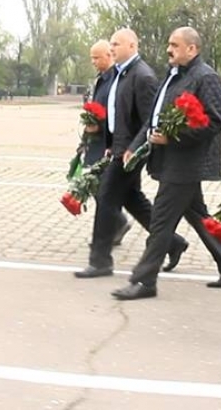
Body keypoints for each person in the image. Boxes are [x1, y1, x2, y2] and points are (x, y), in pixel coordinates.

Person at [111, 27, 221, 299]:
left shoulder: (205, 77)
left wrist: (173, 138)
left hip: (185, 163)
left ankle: (144, 281)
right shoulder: (174, 75)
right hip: (171, 160)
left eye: (174, 45)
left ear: (192, 49)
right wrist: (135, 146)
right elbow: (155, 117)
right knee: (197, 215)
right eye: (168, 44)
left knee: (160, 221)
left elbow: (214, 120)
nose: (169, 49)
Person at [75, 29, 189, 279]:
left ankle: (100, 260)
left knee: (105, 199)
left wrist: (131, 149)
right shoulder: (120, 73)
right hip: (117, 148)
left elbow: (150, 118)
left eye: (116, 44)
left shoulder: (143, 76)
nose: (112, 47)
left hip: (130, 153)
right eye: (111, 43)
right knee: (133, 200)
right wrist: (110, 142)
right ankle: (173, 243)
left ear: (132, 45)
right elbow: (118, 115)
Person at [77, 40, 132, 256]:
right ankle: (116, 224)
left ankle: (111, 229)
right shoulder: (101, 80)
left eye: (97, 57)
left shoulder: (115, 81)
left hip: (106, 144)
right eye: (92, 57)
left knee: (103, 190)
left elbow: (114, 112)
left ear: (109, 56)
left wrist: (97, 126)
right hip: (95, 142)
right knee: (100, 190)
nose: (93, 62)